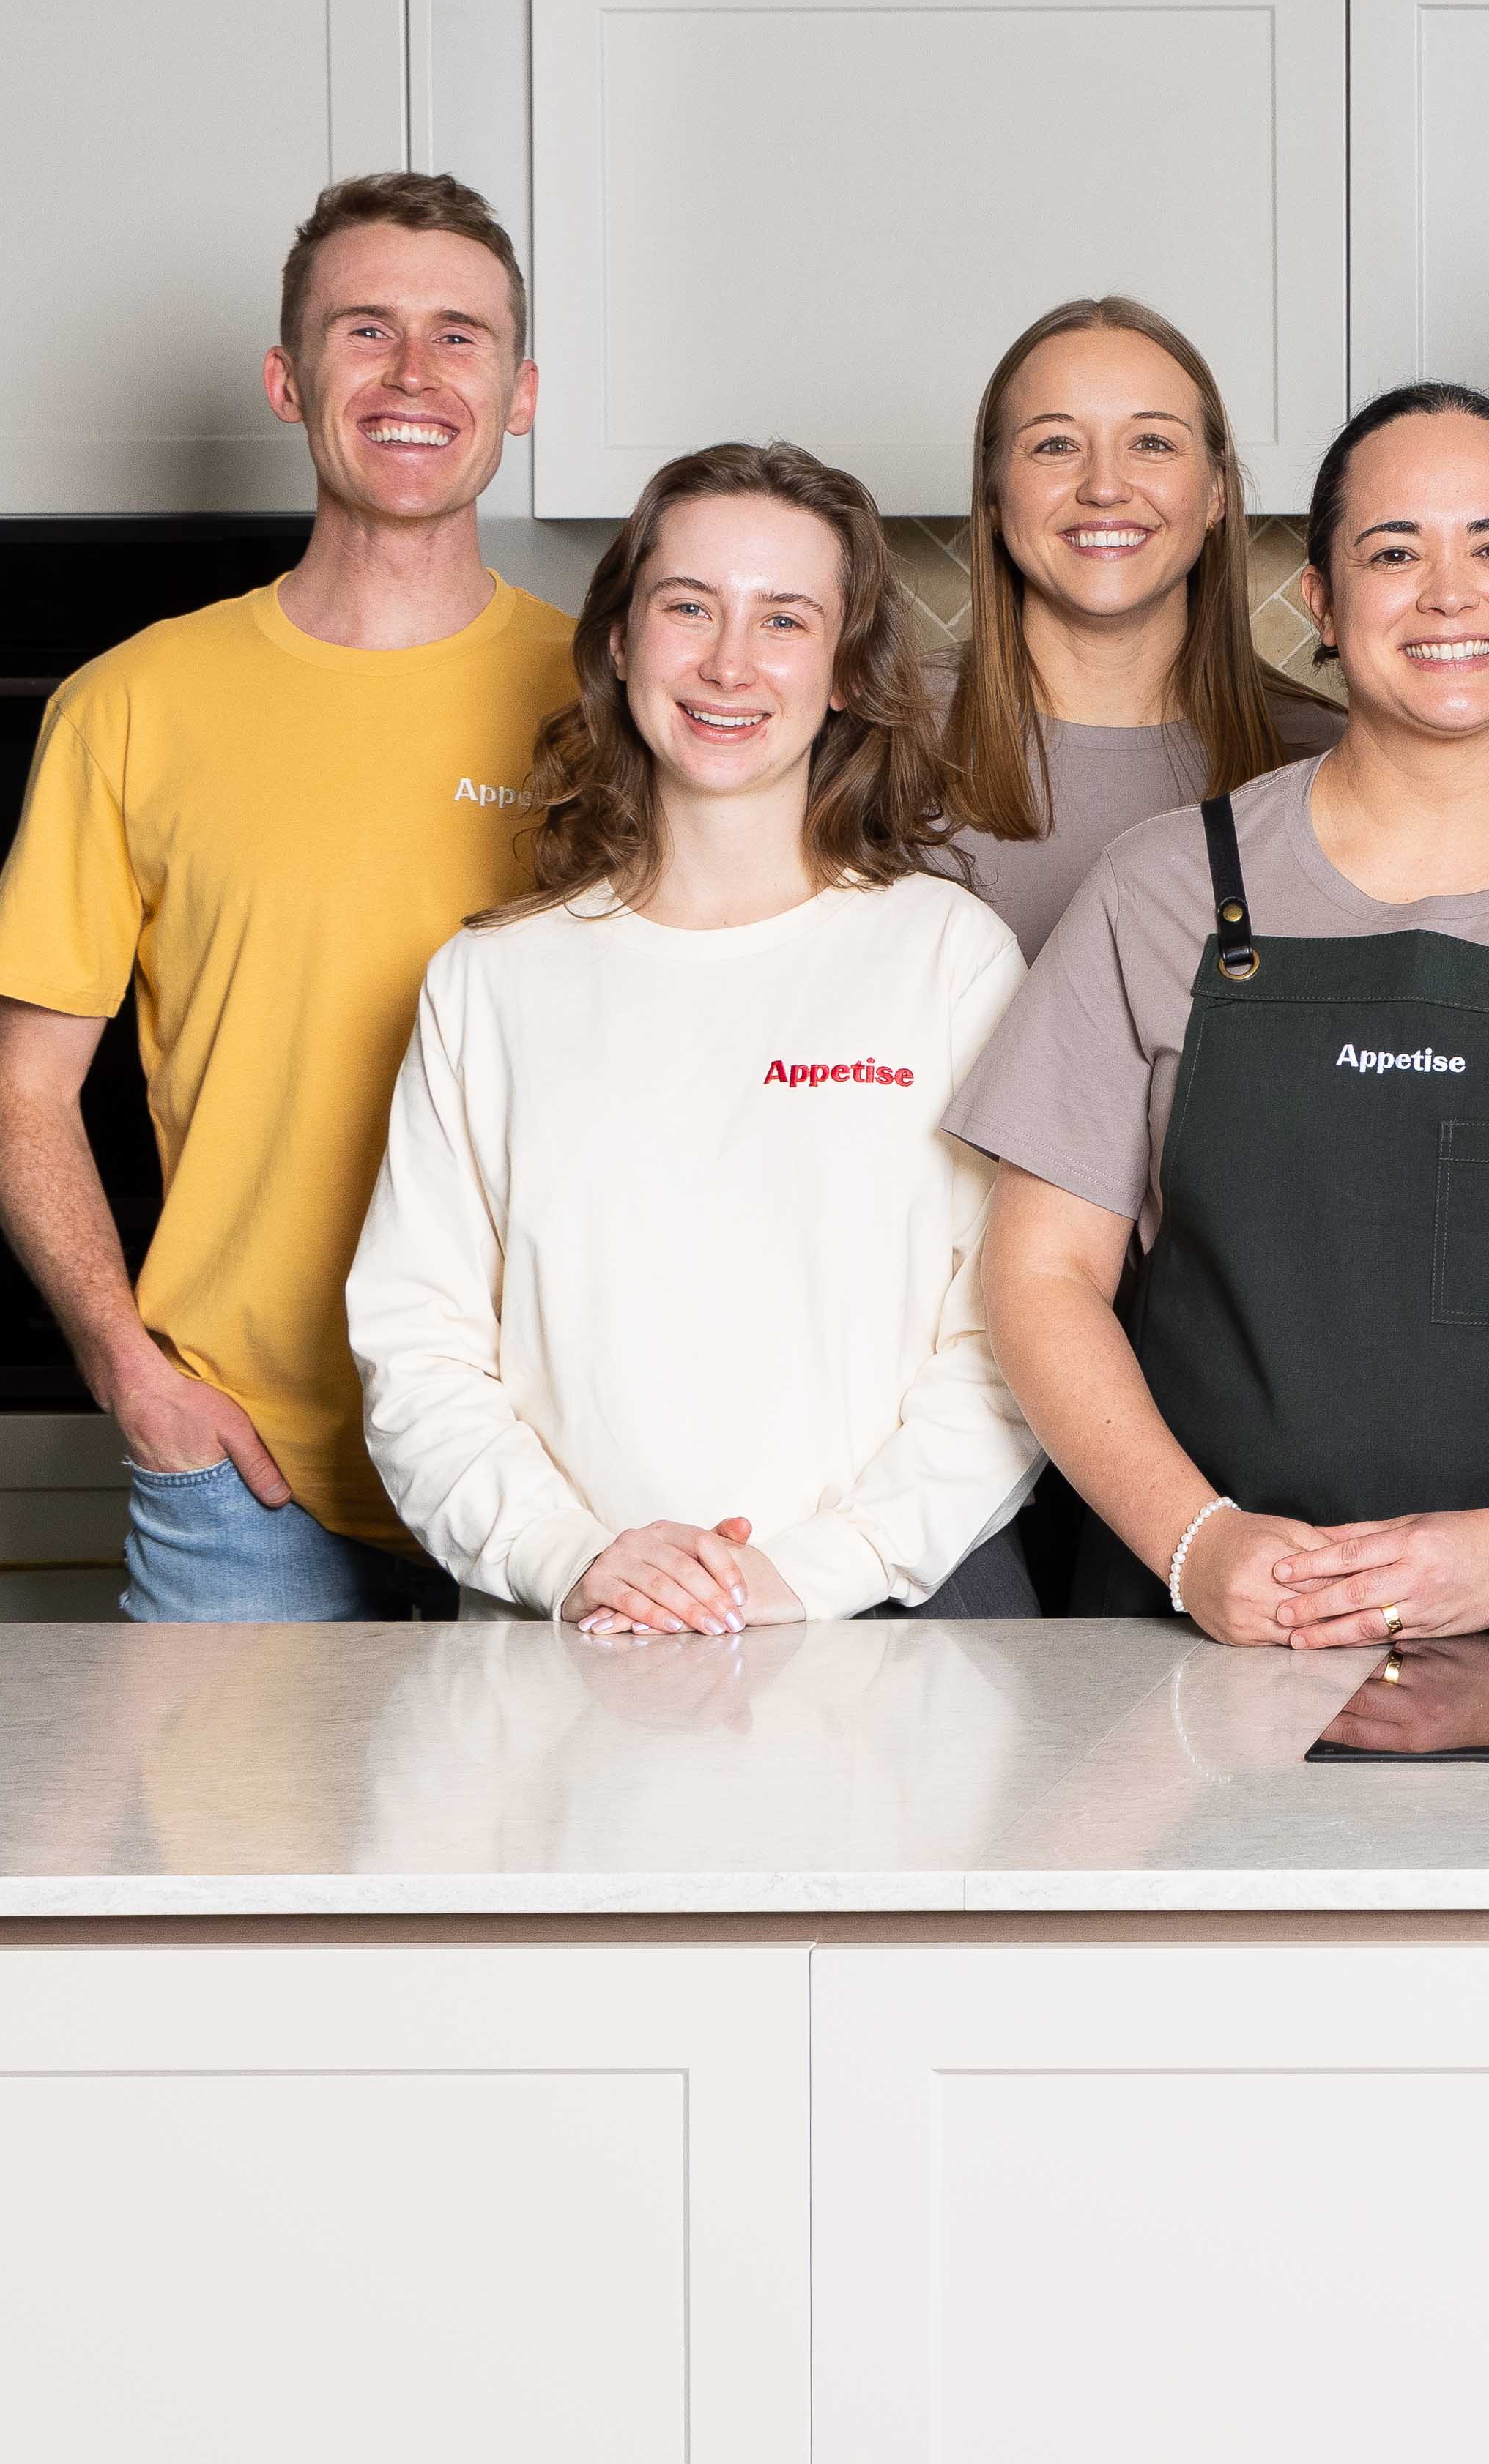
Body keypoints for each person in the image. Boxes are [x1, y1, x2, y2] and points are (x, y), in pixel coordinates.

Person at [953, 384, 1489, 1637]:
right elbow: (1036, 1275)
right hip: (1197, 1640)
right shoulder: (1165, 887)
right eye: (1393, 551)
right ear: (1321, 604)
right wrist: (1197, 1547)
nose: (1448, 593)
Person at [0, 172, 574, 1620]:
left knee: (550, 1853)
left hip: (551, 1471)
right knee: (235, 1860)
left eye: (459, 336)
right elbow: (23, 1086)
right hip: (248, 1481)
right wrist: (130, 1370)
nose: (414, 375)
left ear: (523, 391)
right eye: (364, 332)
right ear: (286, 380)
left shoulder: (617, 704)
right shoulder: (132, 705)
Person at [352, 442, 1043, 1628]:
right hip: (568, 1639)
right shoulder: (490, 983)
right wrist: (574, 1558)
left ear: (843, 673)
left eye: (785, 618)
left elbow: (1011, 1336)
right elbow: (417, 1348)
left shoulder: (950, 960)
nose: (730, 663)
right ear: (620, 643)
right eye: (689, 607)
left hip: (882, 1639)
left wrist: (802, 1576)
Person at [929, 294, 1339, 957]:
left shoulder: (1327, 761)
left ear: (1217, 493)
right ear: (994, 495)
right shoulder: (876, 739)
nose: (1105, 486)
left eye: (1151, 442)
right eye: (1055, 444)